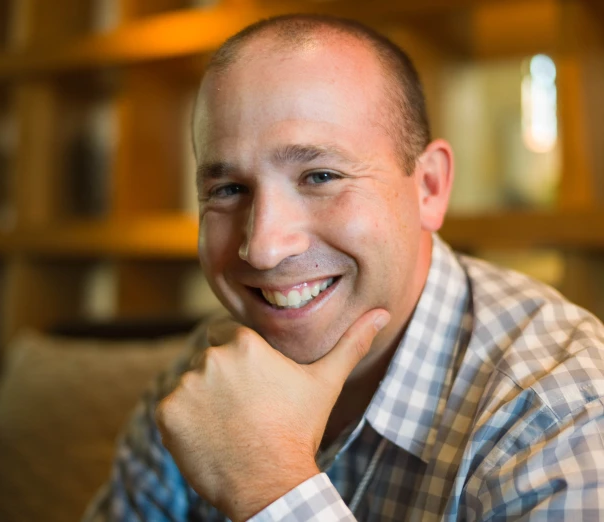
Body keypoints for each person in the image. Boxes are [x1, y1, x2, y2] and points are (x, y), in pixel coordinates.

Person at [83, 14, 604, 522]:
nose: (263, 248)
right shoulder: (203, 382)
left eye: (320, 175)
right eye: (229, 190)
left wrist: (271, 487)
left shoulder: (561, 413)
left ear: (429, 188)